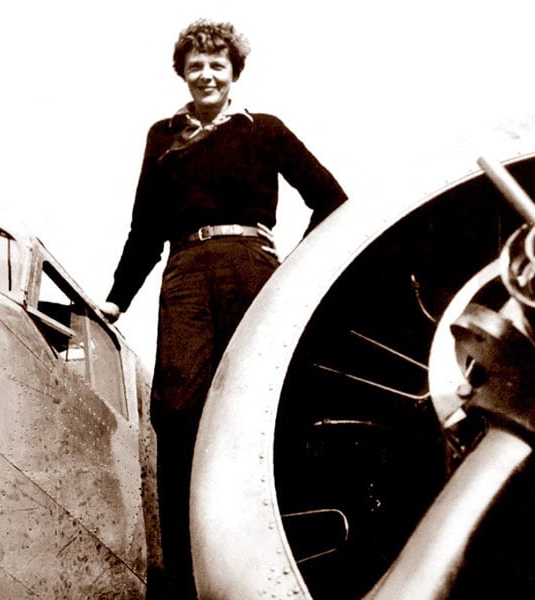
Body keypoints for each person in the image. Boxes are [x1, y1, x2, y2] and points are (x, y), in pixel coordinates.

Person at [98, 19, 348, 599]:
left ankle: (291, 556)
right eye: (195, 65)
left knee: (262, 403)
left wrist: (291, 273)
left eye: (217, 65)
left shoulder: (264, 130)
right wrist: (117, 296)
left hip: (251, 267)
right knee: (177, 409)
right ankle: (186, 581)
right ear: (182, 74)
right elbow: (145, 229)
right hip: (184, 272)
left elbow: (330, 198)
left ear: (234, 73)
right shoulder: (162, 136)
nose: (206, 74)